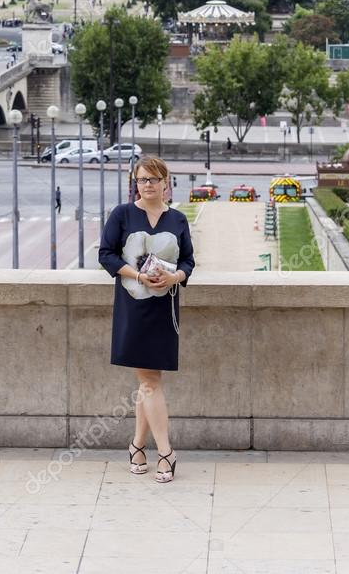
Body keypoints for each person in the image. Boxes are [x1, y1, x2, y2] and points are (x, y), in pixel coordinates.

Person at [98, 155, 194, 483]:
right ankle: (167, 452)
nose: (148, 185)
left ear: (166, 182)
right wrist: (138, 277)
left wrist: (175, 277)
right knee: (150, 381)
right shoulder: (122, 215)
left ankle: (137, 445)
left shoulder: (179, 219)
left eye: (154, 179)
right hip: (133, 307)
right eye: (142, 180)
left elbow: (189, 261)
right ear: (135, 183)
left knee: (148, 383)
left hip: (164, 308)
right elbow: (106, 254)